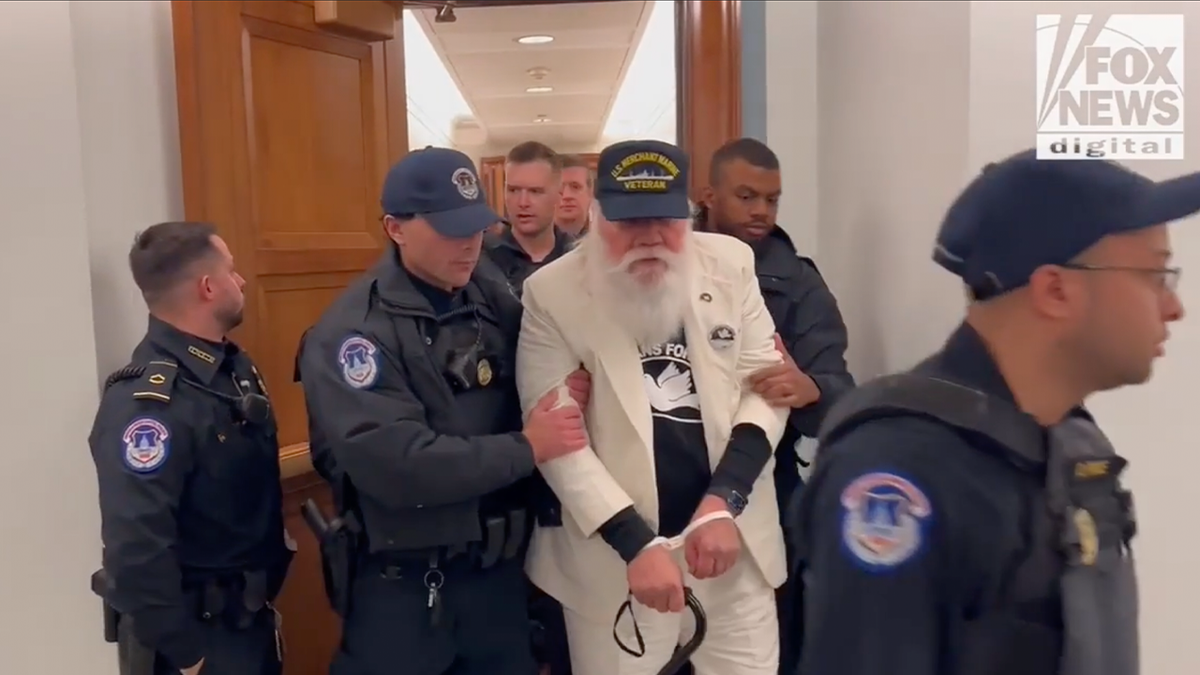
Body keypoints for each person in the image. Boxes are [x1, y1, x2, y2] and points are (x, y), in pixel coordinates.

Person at [794, 151, 1191, 675]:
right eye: (1156, 275)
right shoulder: (899, 471)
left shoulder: (1076, 447)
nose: (1174, 307)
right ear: (1055, 289)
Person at [296, 147, 590, 675]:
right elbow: (400, 465)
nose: (470, 242)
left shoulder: (487, 296)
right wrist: (528, 446)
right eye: (450, 229)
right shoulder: (353, 335)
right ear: (396, 228)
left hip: (497, 584)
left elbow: (547, 366)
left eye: (476, 226)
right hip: (408, 592)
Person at [517, 139, 790, 675]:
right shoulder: (550, 293)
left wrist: (723, 502)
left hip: (730, 551)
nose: (649, 239)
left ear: (688, 214)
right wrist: (634, 543)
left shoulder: (730, 264)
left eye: (664, 220)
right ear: (597, 218)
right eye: (628, 222)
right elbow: (556, 440)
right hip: (614, 567)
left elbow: (765, 387)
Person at [89, 221, 293, 675]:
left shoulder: (233, 369)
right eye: (232, 271)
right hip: (201, 642)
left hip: (248, 624)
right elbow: (136, 549)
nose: (239, 282)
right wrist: (188, 655)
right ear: (207, 286)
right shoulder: (149, 408)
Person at [700, 137, 854, 674]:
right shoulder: (665, 260)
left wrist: (812, 389)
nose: (761, 210)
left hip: (765, 483)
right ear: (709, 194)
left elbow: (841, 391)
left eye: (772, 199)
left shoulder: (798, 283)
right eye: (746, 196)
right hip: (667, 481)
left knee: (765, 645)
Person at [485, 141, 574, 293]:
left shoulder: (577, 258)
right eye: (513, 190)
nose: (523, 202)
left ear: (559, 195)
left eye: (535, 191)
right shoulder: (483, 260)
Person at [555, 154, 595, 237]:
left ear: (590, 192)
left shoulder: (606, 244)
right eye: (559, 188)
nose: (566, 196)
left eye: (575, 187)